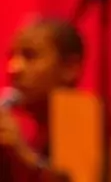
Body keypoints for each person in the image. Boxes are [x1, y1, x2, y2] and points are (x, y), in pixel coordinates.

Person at [1, 17, 84, 181]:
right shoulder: (27, 135)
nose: (13, 68)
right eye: (11, 56)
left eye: (30, 56)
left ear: (69, 67)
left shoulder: (95, 129)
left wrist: (23, 155)